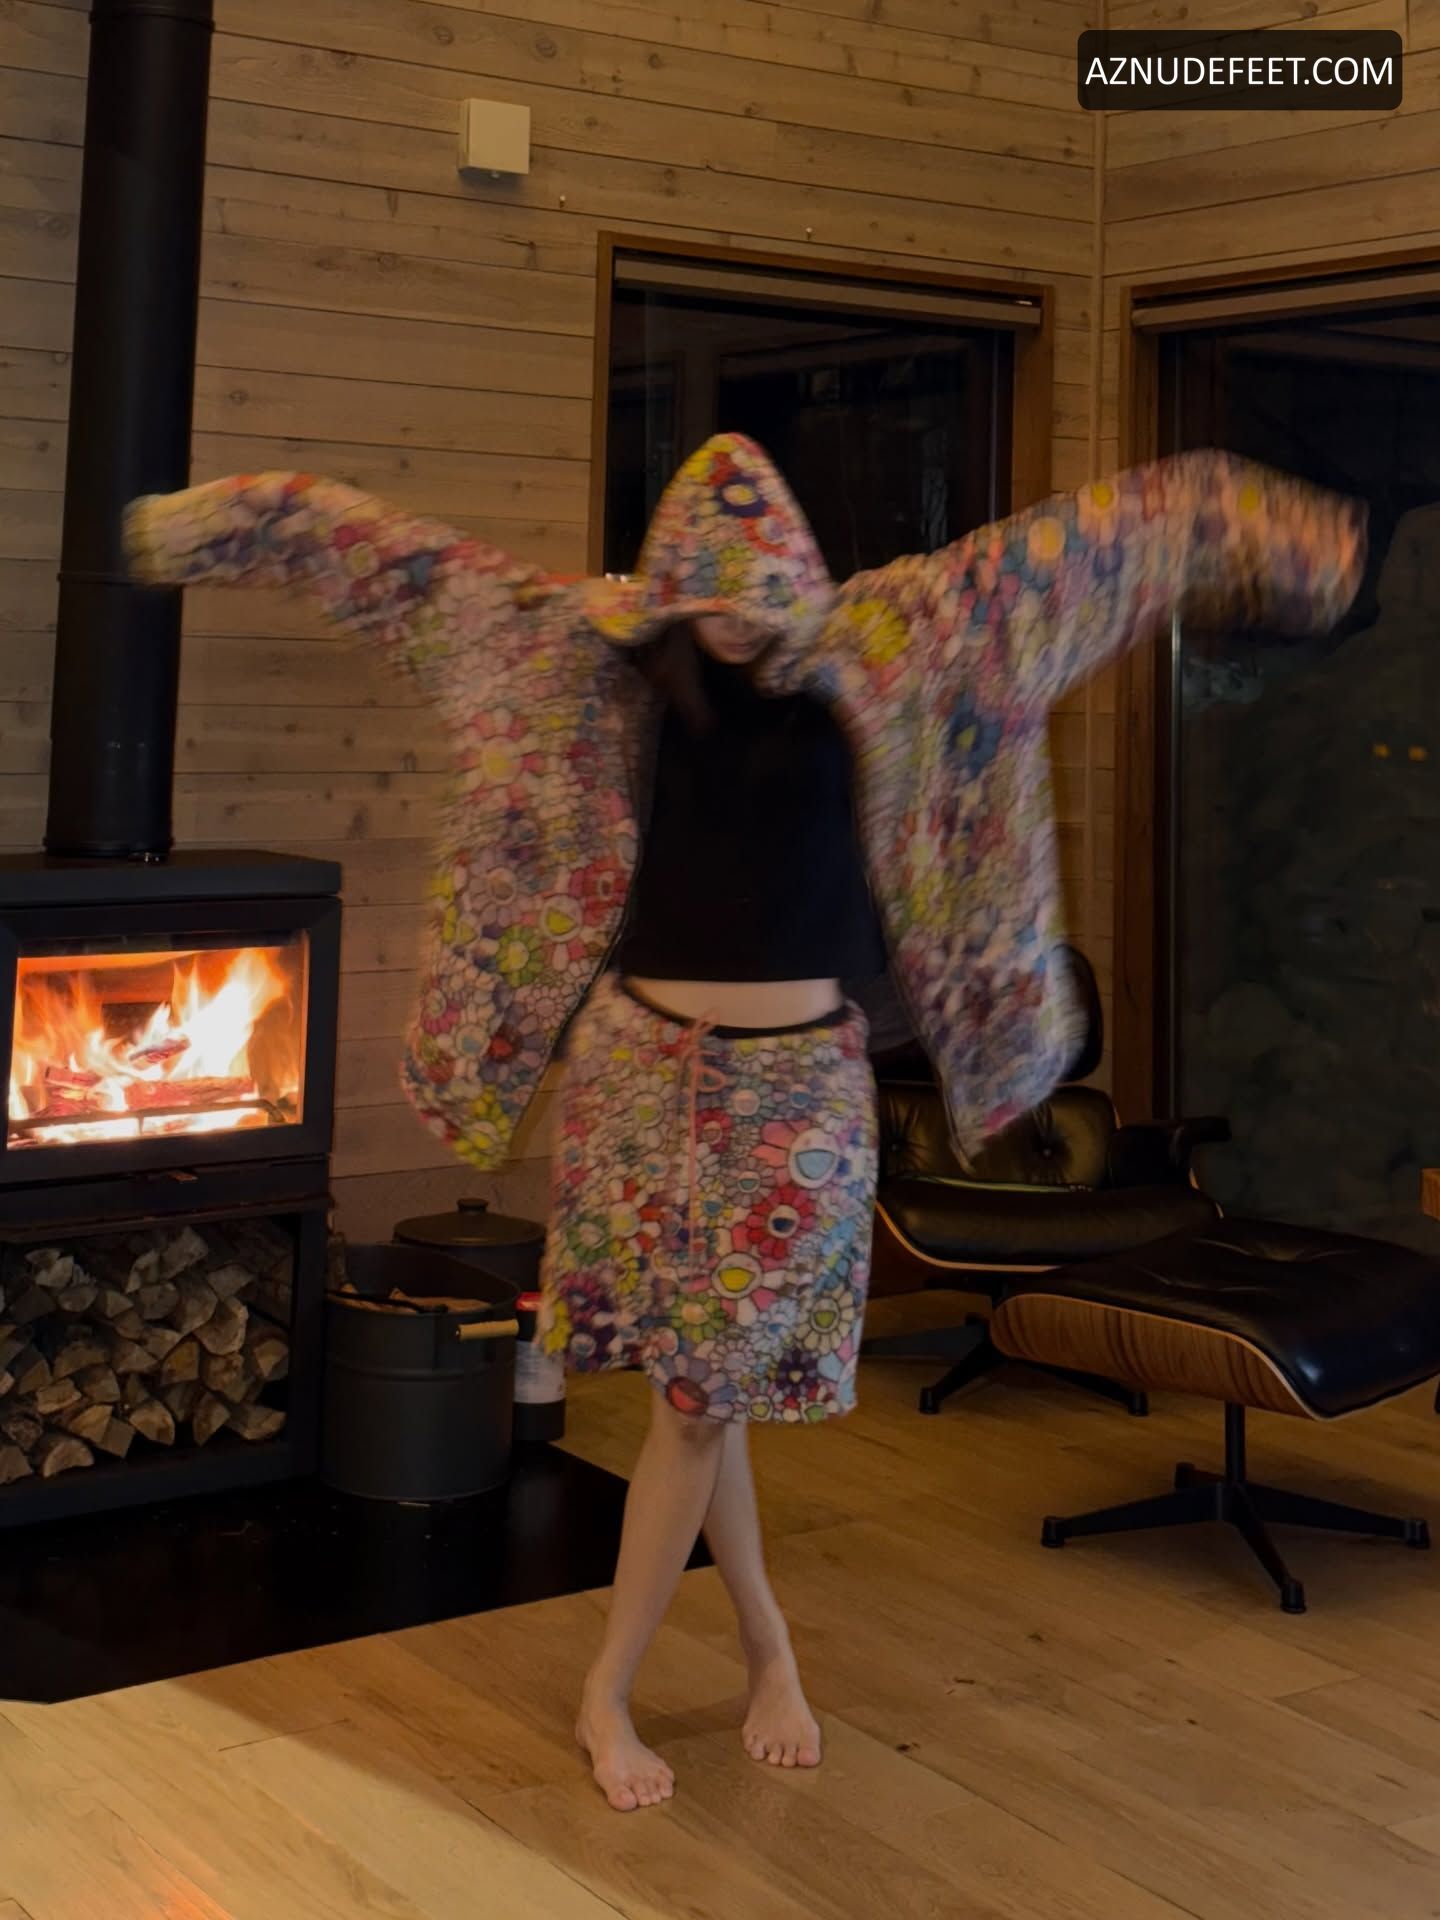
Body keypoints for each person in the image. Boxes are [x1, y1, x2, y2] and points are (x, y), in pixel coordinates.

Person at [127, 435, 1365, 1811]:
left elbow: (1104, 539)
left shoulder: (900, 640)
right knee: (695, 1394)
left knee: (701, 1399)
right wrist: (217, 521)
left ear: (793, 574)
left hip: (795, 1092)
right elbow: (391, 563)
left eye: (751, 592)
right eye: (702, 594)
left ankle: (612, 1687)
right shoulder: (593, 657)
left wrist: (1278, 532)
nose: (728, 618)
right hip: (636, 1079)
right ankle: (762, 1652)